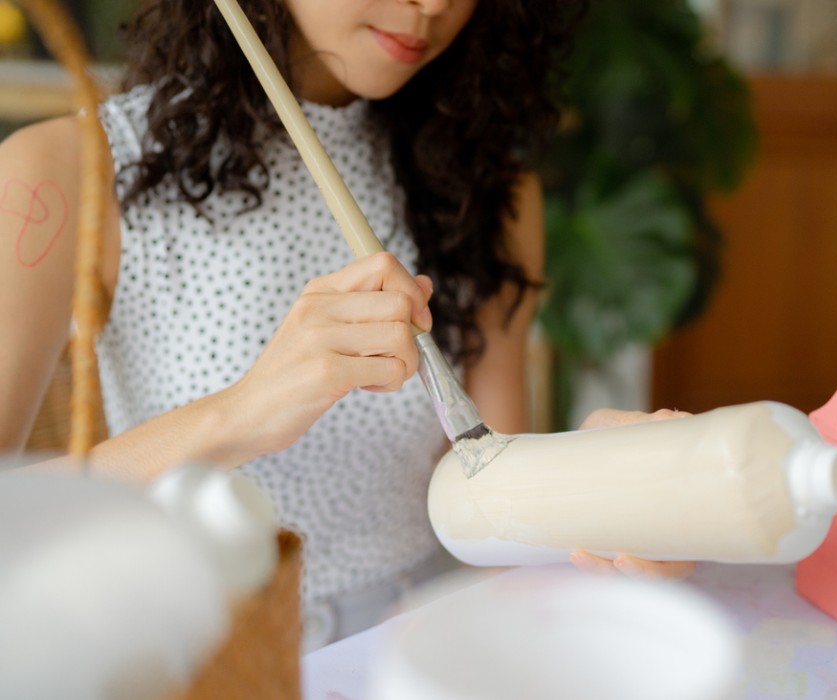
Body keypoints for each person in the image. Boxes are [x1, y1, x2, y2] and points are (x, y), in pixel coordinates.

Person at [0, 0, 691, 649]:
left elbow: (495, 502)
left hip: (411, 649)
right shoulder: (64, 173)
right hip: (194, 659)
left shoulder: (491, 191)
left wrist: (598, 490)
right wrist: (236, 416)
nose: (433, 4)